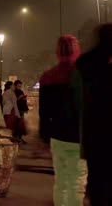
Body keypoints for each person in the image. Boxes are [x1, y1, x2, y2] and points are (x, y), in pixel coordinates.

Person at [39, 35, 86, 206]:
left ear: (57, 52)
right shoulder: (83, 77)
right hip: (79, 137)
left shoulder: (47, 77)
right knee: (77, 183)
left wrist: (45, 135)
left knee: (61, 182)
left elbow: (43, 113)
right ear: (77, 51)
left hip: (57, 137)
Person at [73, 24, 112, 205]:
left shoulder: (85, 62)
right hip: (100, 129)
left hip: (94, 131)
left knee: (97, 180)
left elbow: (77, 99)